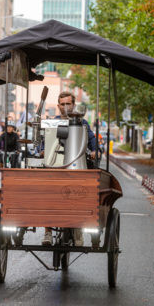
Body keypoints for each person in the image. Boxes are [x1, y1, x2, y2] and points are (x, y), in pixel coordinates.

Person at [42, 91, 98, 246]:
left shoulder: (83, 123)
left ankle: (78, 228)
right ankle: (47, 232)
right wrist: (41, 149)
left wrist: (95, 151)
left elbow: (93, 141)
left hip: (76, 168)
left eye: (68, 104)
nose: (66, 107)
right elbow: (44, 142)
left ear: (74, 105)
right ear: (58, 106)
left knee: (81, 194)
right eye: (63, 104)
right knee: (47, 193)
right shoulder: (52, 123)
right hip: (55, 167)